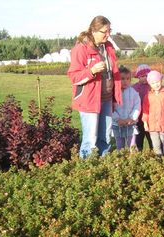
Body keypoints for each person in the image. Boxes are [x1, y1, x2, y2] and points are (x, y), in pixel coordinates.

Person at [67, 15, 122, 158]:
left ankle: (102, 167)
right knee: (90, 140)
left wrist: (115, 97)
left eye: (110, 30)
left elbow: (114, 71)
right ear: (94, 30)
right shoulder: (81, 49)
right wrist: (91, 71)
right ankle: (86, 171)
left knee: (105, 138)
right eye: (105, 31)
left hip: (107, 99)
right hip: (89, 100)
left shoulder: (108, 47)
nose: (108, 34)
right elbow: (74, 77)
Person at [112, 66, 141, 150]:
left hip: (130, 123)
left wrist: (132, 118)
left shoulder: (133, 92)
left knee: (132, 144)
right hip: (117, 123)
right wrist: (117, 119)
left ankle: (133, 160)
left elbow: (137, 106)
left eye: (128, 79)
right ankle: (120, 161)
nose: (125, 81)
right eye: (122, 79)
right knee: (119, 145)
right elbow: (110, 107)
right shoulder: (113, 92)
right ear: (117, 79)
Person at [132, 64, 153, 150]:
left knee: (151, 138)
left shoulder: (152, 87)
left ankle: (154, 153)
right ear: (138, 76)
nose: (145, 78)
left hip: (149, 117)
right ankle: (139, 153)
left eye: (147, 76)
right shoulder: (134, 88)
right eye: (142, 76)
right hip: (138, 117)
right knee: (139, 138)